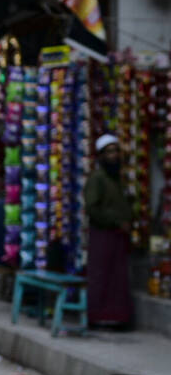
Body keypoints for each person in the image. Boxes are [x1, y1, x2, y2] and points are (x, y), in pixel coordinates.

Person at [84, 133, 133, 327]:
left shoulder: (116, 179)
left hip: (116, 237)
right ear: (102, 156)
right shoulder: (98, 179)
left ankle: (116, 318)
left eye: (116, 151)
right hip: (103, 234)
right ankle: (96, 317)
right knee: (101, 275)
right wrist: (115, 221)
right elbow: (92, 208)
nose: (114, 155)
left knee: (117, 277)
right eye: (110, 152)